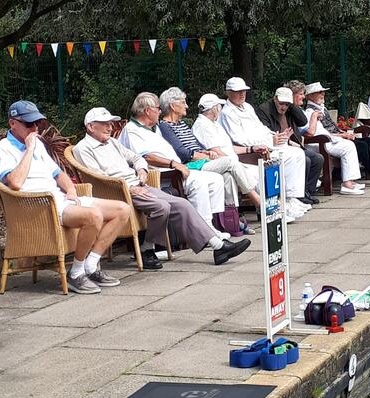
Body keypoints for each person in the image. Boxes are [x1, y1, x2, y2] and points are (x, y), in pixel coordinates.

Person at [73, 108, 250, 267]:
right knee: (162, 207)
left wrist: (141, 170)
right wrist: (129, 187)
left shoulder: (112, 142)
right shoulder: (84, 148)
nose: (110, 127)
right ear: (90, 127)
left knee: (181, 204)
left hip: (138, 184)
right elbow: (98, 178)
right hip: (118, 192)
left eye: (110, 123)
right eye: (104, 124)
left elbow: (136, 158)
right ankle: (147, 248)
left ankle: (218, 247)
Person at [0, 99, 130, 294]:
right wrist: (29, 149)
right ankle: (76, 274)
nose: (35, 128)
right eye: (29, 124)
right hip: (39, 206)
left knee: (122, 209)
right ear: (12, 123)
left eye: (38, 123)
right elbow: (15, 183)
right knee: (94, 216)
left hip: (60, 200)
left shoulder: (38, 145)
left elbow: (58, 174)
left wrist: (71, 190)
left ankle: (90, 265)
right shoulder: (3, 149)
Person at [120, 92, 226, 226]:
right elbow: (146, 156)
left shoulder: (153, 128)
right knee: (199, 182)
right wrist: (173, 163)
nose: (160, 111)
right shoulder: (132, 130)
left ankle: (213, 224)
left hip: (175, 169)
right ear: (147, 111)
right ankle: (204, 227)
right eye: (158, 108)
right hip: (162, 175)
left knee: (215, 179)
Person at [158, 87, 261, 223]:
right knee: (229, 161)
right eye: (183, 102)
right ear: (172, 105)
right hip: (190, 166)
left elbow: (196, 145)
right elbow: (181, 152)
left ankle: (231, 221)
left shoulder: (181, 124)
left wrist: (206, 152)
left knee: (228, 176)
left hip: (202, 162)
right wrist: (204, 156)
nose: (187, 106)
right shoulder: (165, 126)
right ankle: (258, 201)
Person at [219, 78, 310, 223]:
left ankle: (291, 199)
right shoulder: (227, 113)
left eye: (244, 91)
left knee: (297, 154)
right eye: (237, 92)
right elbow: (240, 138)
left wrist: (275, 136)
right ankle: (276, 207)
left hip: (265, 146)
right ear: (228, 93)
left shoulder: (247, 107)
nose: (242, 94)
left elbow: (260, 128)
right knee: (281, 160)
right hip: (249, 153)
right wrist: (269, 141)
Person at [304, 82, 370, 187]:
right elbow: (320, 132)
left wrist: (344, 132)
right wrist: (342, 135)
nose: (323, 94)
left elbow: (331, 127)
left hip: (335, 137)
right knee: (363, 146)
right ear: (310, 96)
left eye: (323, 92)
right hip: (329, 141)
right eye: (319, 92)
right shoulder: (311, 112)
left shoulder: (322, 108)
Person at [256, 86, 323, 204]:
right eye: (282, 103)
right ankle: (298, 194)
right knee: (306, 160)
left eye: (287, 104)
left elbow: (303, 121)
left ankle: (307, 191)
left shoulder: (289, 109)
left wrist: (291, 105)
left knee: (318, 159)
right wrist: (286, 140)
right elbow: (267, 134)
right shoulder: (264, 110)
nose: (284, 107)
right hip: (277, 146)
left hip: (291, 145)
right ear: (275, 99)